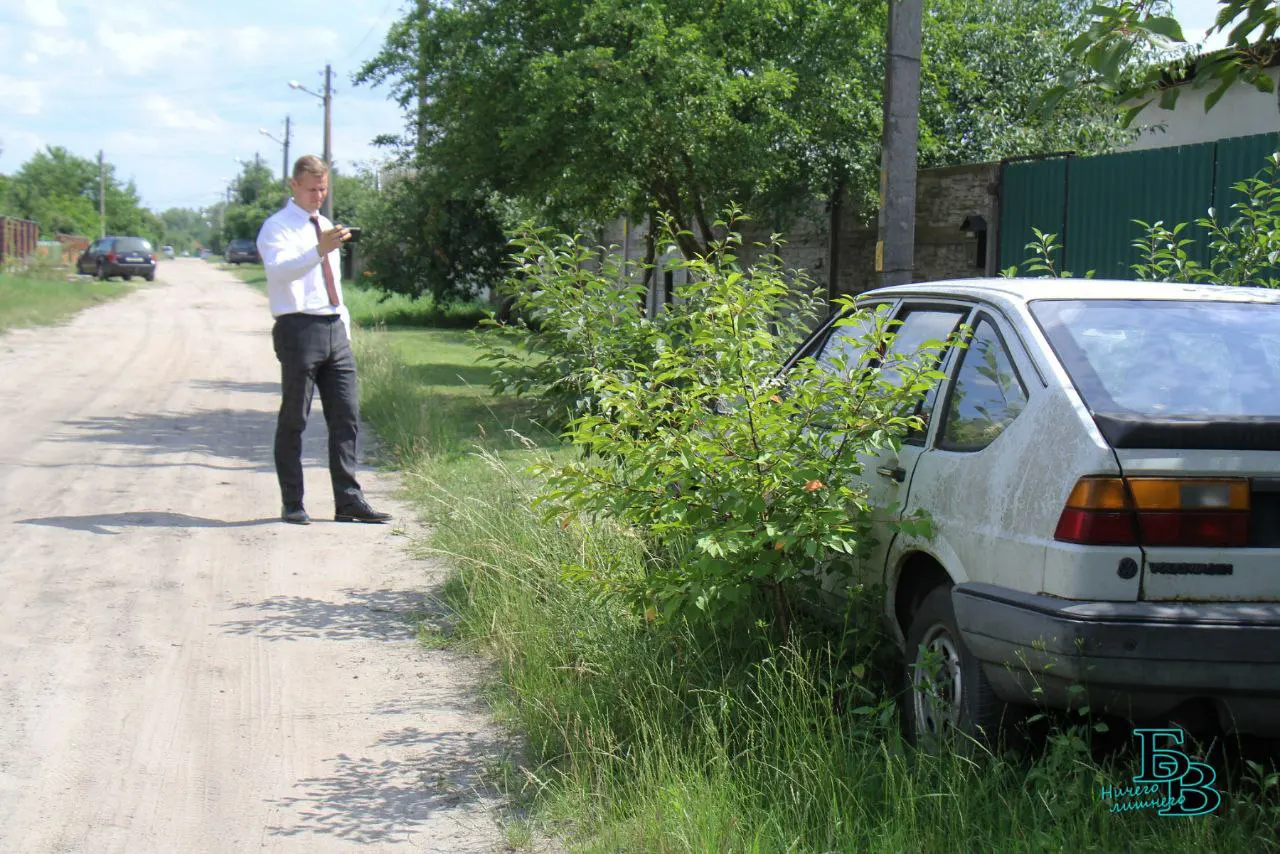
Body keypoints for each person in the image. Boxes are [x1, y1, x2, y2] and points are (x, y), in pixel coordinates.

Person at [256, 154, 392, 526]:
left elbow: (333, 284)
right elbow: (280, 272)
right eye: (313, 189)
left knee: (346, 416)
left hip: (333, 327)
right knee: (295, 418)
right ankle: (293, 502)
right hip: (298, 328)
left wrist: (343, 325)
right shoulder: (277, 227)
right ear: (294, 186)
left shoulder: (326, 225)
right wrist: (319, 249)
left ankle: (348, 500)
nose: (319, 196)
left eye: (324, 189)